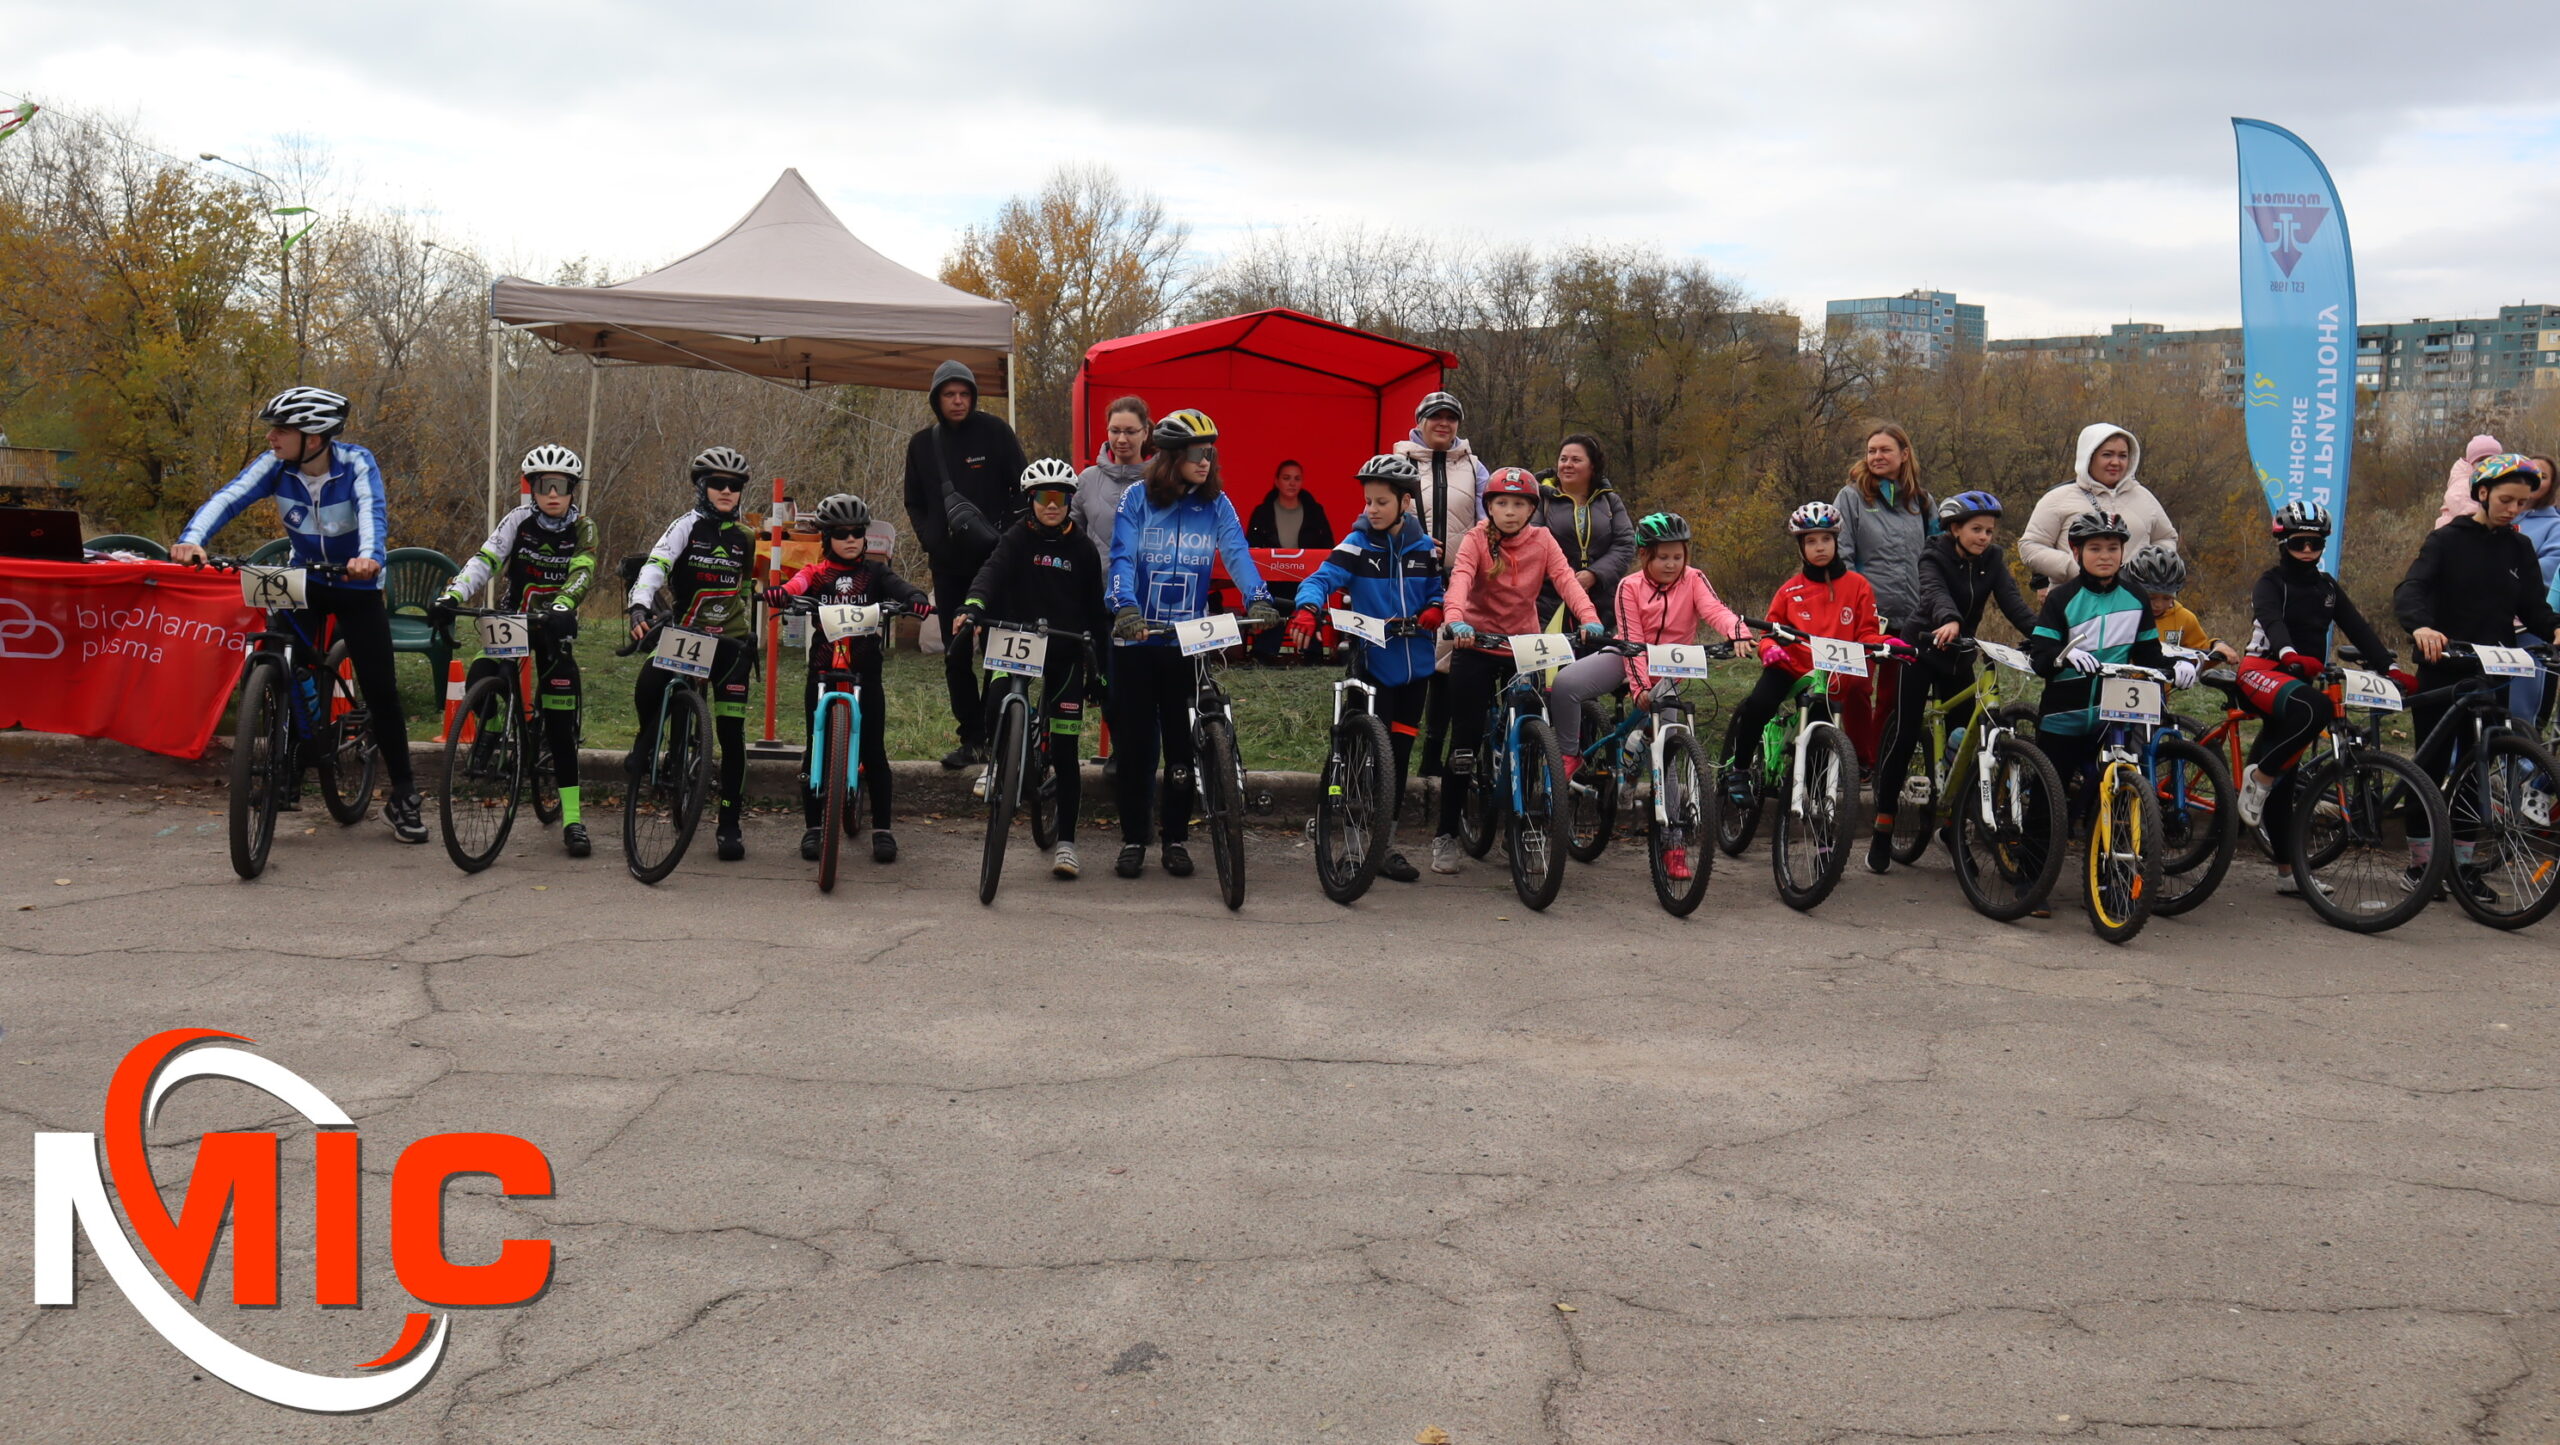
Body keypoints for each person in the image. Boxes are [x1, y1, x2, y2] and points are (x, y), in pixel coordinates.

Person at [172, 386, 427, 844]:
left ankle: (404, 795)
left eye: (281, 430)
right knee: (286, 663)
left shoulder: (355, 463)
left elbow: (373, 511)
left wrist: (369, 557)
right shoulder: (277, 466)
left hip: (356, 583)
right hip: (303, 579)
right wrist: (193, 538)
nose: (271, 438)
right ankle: (287, 764)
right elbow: (230, 496)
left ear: (313, 438)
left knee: (380, 689)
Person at [1106, 409, 1280, 879]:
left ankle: (1176, 839)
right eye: (1198, 453)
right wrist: (1124, 607)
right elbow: (1121, 557)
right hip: (1138, 637)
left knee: (1183, 749)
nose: (1206, 462)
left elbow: (1237, 552)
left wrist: (1258, 598)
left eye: (1211, 454)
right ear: (1171, 456)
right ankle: (1134, 839)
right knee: (1137, 749)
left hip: (1186, 640)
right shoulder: (1136, 498)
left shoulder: (1216, 503)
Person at [1544, 511, 1746, 883]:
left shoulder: (1695, 579)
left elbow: (1716, 611)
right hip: (1627, 657)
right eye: (1662, 557)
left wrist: (1737, 632)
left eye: (1677, 556)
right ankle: (1570, 753)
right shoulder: (1629, 586)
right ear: (1644, 556)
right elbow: (1633, 642)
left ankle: (1673, 843)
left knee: (1667, 753)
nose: (1671, 564)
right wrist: (1638, 687)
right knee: (1568, 683)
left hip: (1669, 669)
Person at [2393, 452, 2560, 902]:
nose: (2514, 510)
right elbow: (2411, 589)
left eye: (2522, 503)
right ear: (2482, 493)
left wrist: (2554, 628)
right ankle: (2421, 865)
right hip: (2444, 670)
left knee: (2476, 769)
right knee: (2429, 768)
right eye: (2506, 500)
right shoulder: (2447, 540)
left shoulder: (2518, 548)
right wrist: (2421, 627)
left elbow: (2533, 607)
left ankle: (2464, 868)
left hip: (2493, 673)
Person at [1281, 454, 1445, 883]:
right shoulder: (1356, 545)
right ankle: (1352, 844)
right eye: (1368, 501)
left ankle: (1384, 844)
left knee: (1399, 759)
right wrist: (1307, 609)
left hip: (1416, 669)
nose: (1371, 509)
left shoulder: (1424, 548)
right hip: (1372, 664)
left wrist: (1436, 606)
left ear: (1405, 503)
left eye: (1381, 502)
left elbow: (1438, 589)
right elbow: (1318, 579)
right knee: (1365, 757)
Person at [431, 443, 600, 857]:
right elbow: (485, 560)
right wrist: (453, 595)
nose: (553, 494)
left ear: (572, 489)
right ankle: (491, 728)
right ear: (532, 488)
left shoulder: (584, 528)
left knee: (559, 726)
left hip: (555, 623)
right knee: (480, 678)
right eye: (544, 486)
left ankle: (573, 819)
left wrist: (565, 604)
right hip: (514, 618)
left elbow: (583, 570)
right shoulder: (517, 520)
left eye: (561, 486)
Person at [1434, 467, 1604, 875]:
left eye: (1519, 504)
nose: (1510, 511)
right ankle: (1446, 834)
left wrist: (1590, 618)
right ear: (1489, 507)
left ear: (1532, 509)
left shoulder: (1542, 540)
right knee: (1465, 741)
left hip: (1524, 646)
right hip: (1475, 642)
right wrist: (1456, 621)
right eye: (1501, 503)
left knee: (1532, 735)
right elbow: (1459, 582)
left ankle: (1524, 825)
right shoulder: (1476, 539)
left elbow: (1566, 580)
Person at [958, 459, 1116, 880]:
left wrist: (1099, 669)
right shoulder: (1016, 537)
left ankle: (1066, 843)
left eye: (1060, 498)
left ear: (1069, 502)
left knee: (1065, 752)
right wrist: (973, 605)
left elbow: (1095, 612)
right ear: (1031, 500)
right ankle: (999, 762)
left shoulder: (1081, 548)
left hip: (1064, 649)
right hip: (1017, 640)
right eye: (1043, 497)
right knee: (996, 697)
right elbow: (990, 573)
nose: (1051, 505)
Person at [1866, 490, 2037, 874]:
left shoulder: (1993, 560)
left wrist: (2047, 636)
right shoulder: (1933, 554)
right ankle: (1883, 825)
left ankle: (1951, 827)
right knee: (1904, 734)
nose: (1984, 537)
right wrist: (1950, 620)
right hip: (1922, 648)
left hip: (1959, 655)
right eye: (1977, 529)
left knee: (1965, 742)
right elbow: (1934, 592)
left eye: (1989, 531)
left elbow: (2013, 604)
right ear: (1955, 529)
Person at [2231, 501, 2396, 895]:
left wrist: (2389, 668)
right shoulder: (2271, 582)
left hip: (2297, 681)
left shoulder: (2327, 587)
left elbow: (2357, 627)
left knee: (2287, 778)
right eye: (2298, 543)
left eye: (2315, 543)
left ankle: (2287, 873)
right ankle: (2259, 777)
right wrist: (2288, 653)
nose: (2307, 550)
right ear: (2283, 543)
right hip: (2261, 670)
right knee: (2316, 709)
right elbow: (2271, 620)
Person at [761, 492, 928, 867]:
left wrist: (915, 597)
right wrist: (782, 593)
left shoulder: (876, 573)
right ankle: (813, 827)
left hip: (865, 673)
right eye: (841, 533)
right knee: (814, 747)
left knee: (874, 750)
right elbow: (796, 585)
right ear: (827, 538)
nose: (851, 539)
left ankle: (882, 829)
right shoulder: (817, 572)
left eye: (857, 532)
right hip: (823, 671)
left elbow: (901, 588)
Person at [626, 446, 763, 862]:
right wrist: (640, 605)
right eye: (718, 483)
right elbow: (655, 566)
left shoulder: (745, 537)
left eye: (734, 485)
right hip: (688, 633)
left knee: (733, 736)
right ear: (703, 487)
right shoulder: (685, 526)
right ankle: (646, 744)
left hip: (730, 643)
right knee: (649, 682)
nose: (727, 491)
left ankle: (729, 823)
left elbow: (743, 586)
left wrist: (747, 631)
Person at [1721, 502, 1887, 824]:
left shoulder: (1858, 586)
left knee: (1820, 747)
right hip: (1791, 666)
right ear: (1801, 547)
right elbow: (1769, 632)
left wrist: (1887, 643)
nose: (1819, 547)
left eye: (1826, 539)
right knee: (1759, 704)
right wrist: (1769, 649)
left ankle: (1820, 822)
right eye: (1811, 541)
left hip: (1830, 676)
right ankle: (1739, 770)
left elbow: (1867, 632)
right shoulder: (1789, 590)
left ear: (1836, 541)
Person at [902, 359, 1028, 770]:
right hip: (949, 567)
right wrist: (931, 539)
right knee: (956, 654)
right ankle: (971, 738)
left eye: (964, 394)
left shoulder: (995, 432)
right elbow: (914, 501)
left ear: (973, 397)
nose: (957, 401)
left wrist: (1006, 535)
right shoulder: (923, 444)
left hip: (996, 565)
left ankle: (996, 735)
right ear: (936, 399)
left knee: (998, 653)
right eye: (949, 394)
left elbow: (1024, 488)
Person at [2024, 510, 2180, 813]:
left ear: (2123, 552)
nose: (2105, 556)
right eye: (2095, 549)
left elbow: (2148, 655)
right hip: (2064, 714)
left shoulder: (2136, 597)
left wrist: (2175, 668)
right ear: (2076, 552)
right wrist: (2064, 654)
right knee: (2047, 807)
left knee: (2116, 796)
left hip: (2114, 715)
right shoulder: (2061, 598)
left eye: (2113, 548)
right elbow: (2040, 658)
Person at [1832, 422, 1935, 768]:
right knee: (1856, 688)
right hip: (1865, 617)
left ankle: (1879, 765)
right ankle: (1858, 762)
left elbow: (1935, 556)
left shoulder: (1922, 502)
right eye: (1871, 450)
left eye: (1885, 450)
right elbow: (1841, 554)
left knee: (1892, 698)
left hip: (1910, 615)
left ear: (1904, 455)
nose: (1877, 456)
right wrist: (1853, 602)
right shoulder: (1851, 497)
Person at [2019, 424, 2179, 587]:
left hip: (2133, 598)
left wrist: (2149, 569)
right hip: (2074, 597)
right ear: (2089, 457)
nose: (2115, 462)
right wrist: (2073, 568)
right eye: (2107, 455)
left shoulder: (2144, 497)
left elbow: (2166, 538)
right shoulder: (2058, 498)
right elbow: (2030, 546)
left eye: (2123, 456)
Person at [1533, 433, 1635, 629]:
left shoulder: (1610, 501)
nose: (1567, 465)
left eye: (1576, 460)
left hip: (1602, 602)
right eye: (1563, 459)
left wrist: (1594, 574)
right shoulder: (1539, 500)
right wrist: (1567, 580)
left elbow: (1625, 544)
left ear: (1592, 466)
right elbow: (1533, 544)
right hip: (1549, 602)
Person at [1394, 391, 1488, 568]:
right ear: (1420, 421)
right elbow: (1375, 521)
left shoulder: (1475, 468)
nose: (1444, 423)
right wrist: (1411, 541)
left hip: (1462, 575)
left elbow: (1488, 525)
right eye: (1435, 415)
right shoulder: (1397, 464)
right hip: (1406, 573)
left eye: (1451, 418)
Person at [2123, 545, 2239, 664]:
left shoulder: (2185, 619)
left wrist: (2217, 645)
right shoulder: (2122, 613)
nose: (2158, 604)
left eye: (2167, 598)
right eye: (2151, 597)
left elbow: (2200, 656)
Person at [1075, 395, 1151, 568]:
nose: (1122, 439)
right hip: (1095, 583)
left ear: (1145, 433)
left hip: (1145, 583)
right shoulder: (1087, 480)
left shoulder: (1160, 481)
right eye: (1115, 431)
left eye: (1130, 432)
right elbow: (1070, 535)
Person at [1246, 459, 1335, 550]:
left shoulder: (1315, 512)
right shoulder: (1262, 513)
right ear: (1277, 482)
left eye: (1297, 479)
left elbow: (1328, 548)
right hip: (1270, 560)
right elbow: (1251, 548)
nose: (1292, 483)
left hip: (1309, 560)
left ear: (1302, 482)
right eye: (1286, 478)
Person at [2432, 433, 2506, 529]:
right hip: (2455, 530)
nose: (2487, 463)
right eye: (2481, 460)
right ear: (2471, 463)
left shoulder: (2489, 479)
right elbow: (2465, 506)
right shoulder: (2463, 481)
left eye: (2492, 459)